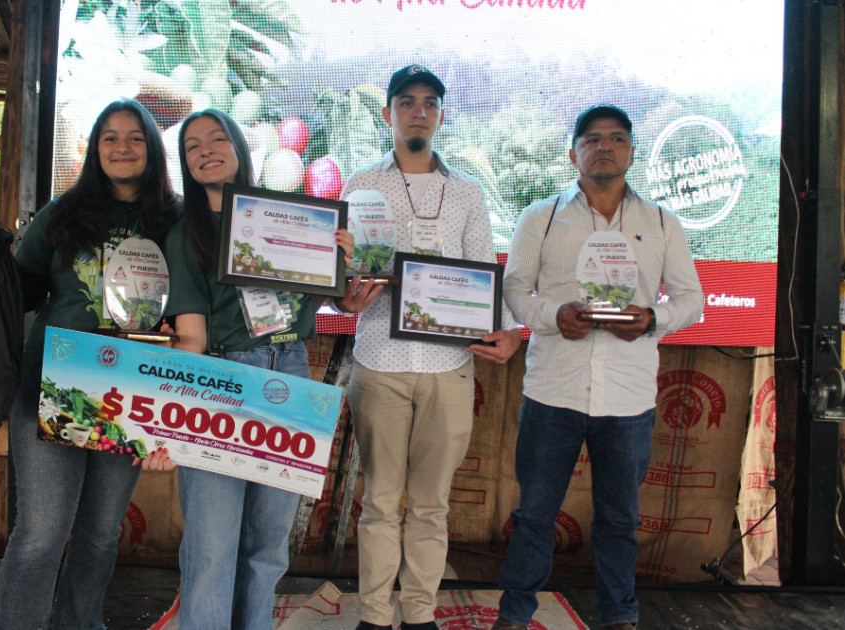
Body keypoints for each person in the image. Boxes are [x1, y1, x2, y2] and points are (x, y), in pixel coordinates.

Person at [0, 98, 180, 629]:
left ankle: (79, 624)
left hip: (129, 390)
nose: (122, 147)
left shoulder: (176, 221)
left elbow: (191, 303)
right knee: (41, 532)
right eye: (110, 136)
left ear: (151, 148)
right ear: (95, 149)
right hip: (52, 385)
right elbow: (23, 288)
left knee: (101, 534)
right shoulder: (62, 213)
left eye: (134, 137)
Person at [491, 104, 705, 630]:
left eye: (615, 138)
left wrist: (652, 318)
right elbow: (515, 290)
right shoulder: (539, 217)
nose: (603, 147)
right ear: (573, 153)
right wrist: (551, 316)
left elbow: (692, 299)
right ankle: (514, 617)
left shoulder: (660, 221)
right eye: (590, 139)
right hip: (552, 392)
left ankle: (619, 618)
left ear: (631, 151)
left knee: (619, 520)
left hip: (627, 399)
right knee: (534, 516)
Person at [335, 65, 522, 630]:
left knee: (433, 505)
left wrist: (509, 329)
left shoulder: (467, 192)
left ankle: (418, 613)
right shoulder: (361, 187)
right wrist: (345, 299)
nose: (418, 111)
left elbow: (486, 270)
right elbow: (344, 281)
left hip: (449, 365)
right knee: (381, 501)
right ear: (388, 113)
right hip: (380, 361)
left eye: (429, 103)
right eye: (406, 101)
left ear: (441, 115)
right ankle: (372, 613)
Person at [154, 108, 353, 629]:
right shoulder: (185, 234)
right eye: (192, 146)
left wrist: (336, 257)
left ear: (240, 148)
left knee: (268, 547)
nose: (206, 150)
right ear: (185, 164)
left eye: (218, 139)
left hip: (290, 373)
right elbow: (191, 338)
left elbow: (327, 307)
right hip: (221, 379)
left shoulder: (292, 218)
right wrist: (169, 421)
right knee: (212, 547)